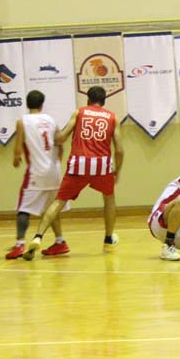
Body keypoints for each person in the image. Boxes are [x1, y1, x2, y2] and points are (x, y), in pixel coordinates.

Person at [23, 86, 124, 260]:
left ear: (88, 99)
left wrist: (52, 138)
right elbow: (120, 150)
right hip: (101, 166)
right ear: (104, 101)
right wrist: (117, 170)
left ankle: (38, 237)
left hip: (79, 164)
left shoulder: (79, 113)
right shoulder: (113, 118)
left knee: (58, 201)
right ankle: (108, 238)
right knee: (109, 198)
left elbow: (62, 137)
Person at [6, 90, 68, 259]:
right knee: (51, 208)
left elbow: (18, 149)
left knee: (23, 209)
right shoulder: (51, 120)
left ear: (27, 104)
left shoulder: (22, 121)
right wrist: (56, 164)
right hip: (54, 172)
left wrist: (16, 158)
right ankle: (60, 241)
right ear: (42, 104)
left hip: (36, 172)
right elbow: (60, 144)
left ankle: (19, 244)